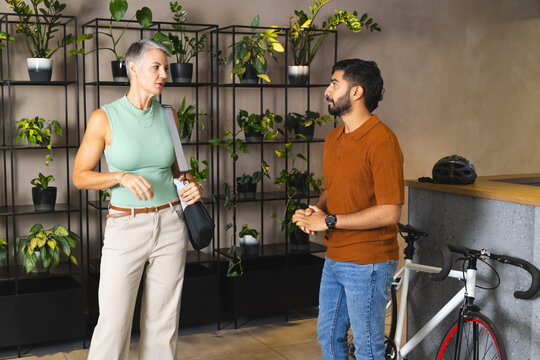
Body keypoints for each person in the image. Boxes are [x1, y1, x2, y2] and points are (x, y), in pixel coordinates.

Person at [72, 39, 203, 360]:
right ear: (133, 68)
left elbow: (179, 172)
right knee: (113, 323)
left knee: (163, 322)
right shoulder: (104, 117)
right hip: (126, 227)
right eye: (155, 67)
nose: (163, 75)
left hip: (171, 224)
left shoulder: (169, 116)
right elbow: (80, 176)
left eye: (166, 69)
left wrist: (192, 186)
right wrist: (120, 177)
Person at [292, 58, 404, 360]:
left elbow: (390, 212)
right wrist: (314, 211)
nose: (327, 91)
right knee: (327, 337)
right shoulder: (333, 138)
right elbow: (332, 189)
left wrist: (327, 221)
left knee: (368, 349)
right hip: (336, 257)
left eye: (334, 84)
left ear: (356, 92)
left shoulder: (382, 141)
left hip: (368, 262)